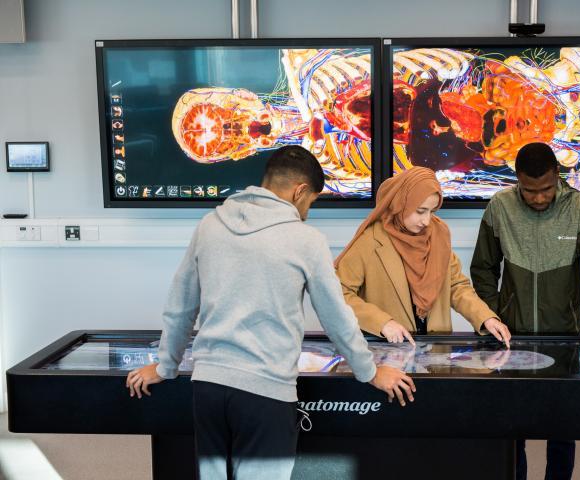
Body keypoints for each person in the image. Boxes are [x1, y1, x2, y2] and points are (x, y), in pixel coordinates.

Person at [125, 145, 416, 480]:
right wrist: (369, 371)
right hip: (266, 392)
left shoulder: (210, 225)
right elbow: (336, 316)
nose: (308, 212)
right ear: (300, 190)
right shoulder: (306, 239)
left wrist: (165, 366)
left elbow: (180, 306)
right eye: (312, 202)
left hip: (208, 388)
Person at [470, 142, 580, 480]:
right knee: (512, 427)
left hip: (565, 335)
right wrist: (490, 316)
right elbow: (483, 269)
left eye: (547, 189)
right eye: (530, 191)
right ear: (517, 181)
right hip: (511, 338)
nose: (539, 198)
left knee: (563, 426)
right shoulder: (499, 207)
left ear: (558, 176)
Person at [334, 166, 511, 346]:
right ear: (400, 204)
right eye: (420, 211)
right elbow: (338, 294)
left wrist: (485, 318)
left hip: (435, 356)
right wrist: (382, 322)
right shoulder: (369, 242)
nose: (426, 221)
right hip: (389, 355)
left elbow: (456, 286)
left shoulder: (438, 234)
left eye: (432, 211)